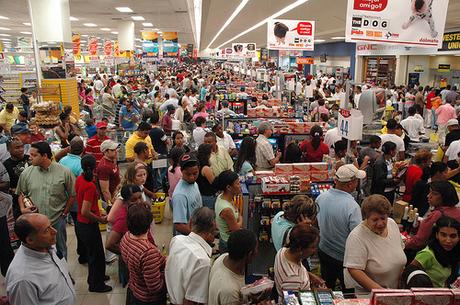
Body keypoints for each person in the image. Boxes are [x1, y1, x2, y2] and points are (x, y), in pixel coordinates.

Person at [16, 141, 76, 260]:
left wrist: (64, 214)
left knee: (61, 251)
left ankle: (63, 275)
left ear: (44, 155)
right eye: (30, 154)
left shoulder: (64, 172)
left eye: (34, 155)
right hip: (35, 224)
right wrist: (23, 209)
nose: (30, 157)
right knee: (39, 253)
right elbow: (21, 194)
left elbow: (73, 194)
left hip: (56, 220)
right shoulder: (27, 173)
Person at [5, 213, 76, 305]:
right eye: (46, 230)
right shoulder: (23, 279)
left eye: (50, 226)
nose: (54, 231)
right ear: (30, 240)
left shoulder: (46, 245)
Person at [344, 195, 406, 295]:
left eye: (383, 218)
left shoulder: (392, 224)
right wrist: (381, 292)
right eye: (375, 219)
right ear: (366, 218)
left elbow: (399, 253)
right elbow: (354, 269)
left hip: (395, 292)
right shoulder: (357, 237)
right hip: (371, 295)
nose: (380, 223)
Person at [316, 164, 365, 290]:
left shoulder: (321, 197)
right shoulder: (352, 206)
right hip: (343, 258)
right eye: (356, 181)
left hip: (324, 250)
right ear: (350, 184)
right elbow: (357, 237)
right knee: (348, 290)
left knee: (327, 286)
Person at [75, 154, 111, 292]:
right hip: (87, 224)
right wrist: (100, 219)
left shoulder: (80, 178)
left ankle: (96, 277)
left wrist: (97, 211)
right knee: (96, 255)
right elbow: (85, 211)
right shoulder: (89, 185)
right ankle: (96, 285)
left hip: (81, 223)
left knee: (93, 254)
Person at [166, 207, 216, 305]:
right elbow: (190, 301)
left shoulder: (176, 240)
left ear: (190, 223)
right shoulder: (203, 261)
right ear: (213, 227)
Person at [120, 204, 167, 305]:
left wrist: (163, 260)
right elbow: (155, 287)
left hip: (134, 290)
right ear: (148, 225)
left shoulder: (126, 237)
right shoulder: (148, 251)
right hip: (147, 299)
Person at [405, 181, 460, 251]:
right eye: (429, 192)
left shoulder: (437, 215)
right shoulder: (458, 211)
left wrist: (403, 244)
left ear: (445, 196)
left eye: (434, 194)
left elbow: (419, 241)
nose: (428, 196)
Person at [208, 229, 258, 305]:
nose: (257, 252)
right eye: (256, 248)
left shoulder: (223, 258)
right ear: (250, 254)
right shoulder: (229, 291)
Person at [410, 216, 460, 288]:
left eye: (453, 236)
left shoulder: (452, 253)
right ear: (437, 235)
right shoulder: (427, 254)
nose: (448, 240)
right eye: (443, 235)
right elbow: (408, 274)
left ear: (458, 238)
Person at [274, 224, 322, 296]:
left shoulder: (283, 251)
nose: (315, 250)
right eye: (313, 247)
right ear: (300, 248)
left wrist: (309, 275)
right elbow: (293, 300)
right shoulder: (292, 279)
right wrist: (317, 294)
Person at [172, 154, 203, 235]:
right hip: (187, 239)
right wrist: (198, 237)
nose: (192, 177)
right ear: (181, 171)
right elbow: (179, 225)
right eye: (188, 174)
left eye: (195, 173)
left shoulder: (194, 184)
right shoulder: (180, 195)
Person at [214, 170, 243, 252]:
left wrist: (237, 221)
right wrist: (240, 220)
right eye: (237, 184)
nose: (240, 186)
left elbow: (237, 212)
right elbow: (236, 230)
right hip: (229, 244)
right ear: (229, 187)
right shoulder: (226, 209)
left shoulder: (222, 197)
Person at [3, 138, 30, 219]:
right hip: (17, 202)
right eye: (17, 148)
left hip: (34, 197)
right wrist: (12, 190)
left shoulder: (30, 159)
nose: (21, 149)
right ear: (8, 149)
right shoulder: (6, 165)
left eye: (22, 146)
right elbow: (5, 185)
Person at [196, 143, 217, 210]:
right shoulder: (206, 168)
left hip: (200, 194)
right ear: (207, 155)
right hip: (208, 197)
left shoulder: (197, 165)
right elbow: (214, 183)